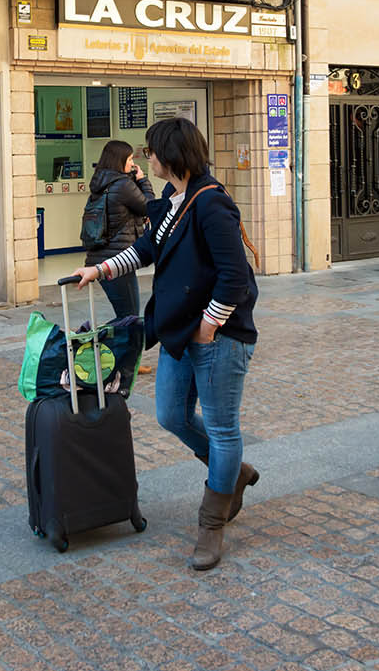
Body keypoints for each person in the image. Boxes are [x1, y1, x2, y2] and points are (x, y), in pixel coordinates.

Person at [70, 117, 259, 571]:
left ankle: (211, 524)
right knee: (171, 414)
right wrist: (99, 271)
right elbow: (144, 251)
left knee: (220, 426)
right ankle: (233, 472)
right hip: (178, 330)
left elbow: (235, 276)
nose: (146, 158)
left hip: (218, 336)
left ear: (170, 155)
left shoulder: (211, 204)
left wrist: (210, 325)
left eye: (151, 152)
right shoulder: (171, 202)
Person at [82, 140, 155, 320]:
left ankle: (103, 344)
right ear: (119, 160)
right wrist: (142, 180)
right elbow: (149, 207)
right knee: (129, 318)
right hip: (117, 259)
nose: (132, 163)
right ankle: (98, 344)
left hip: (100, 256)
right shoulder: (123, 185)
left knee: (126, 316)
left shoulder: (101, 182)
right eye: (129, 159)